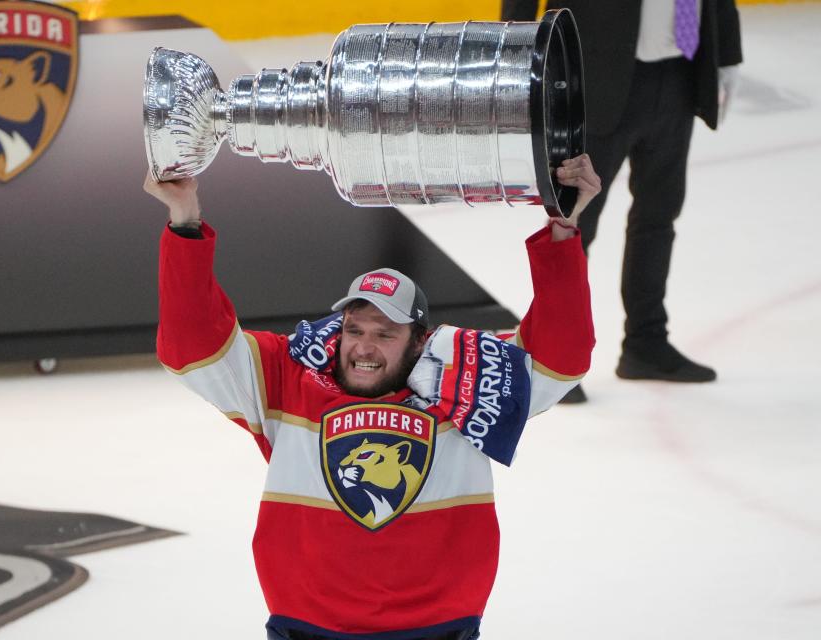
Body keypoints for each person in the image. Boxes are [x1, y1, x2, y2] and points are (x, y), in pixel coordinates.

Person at [145, 155, 600, 640]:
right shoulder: (287, 377)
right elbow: (192, 347)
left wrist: (562, 229)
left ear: (419, 341)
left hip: (437, 629)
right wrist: (185, 220)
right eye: (354, 329)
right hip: (308, 629)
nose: (362, 346)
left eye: (385, 334)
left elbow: (561, 357)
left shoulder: (468, 382)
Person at [503, 0, 743, 403]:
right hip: (594, 74)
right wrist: (510, 55)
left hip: (680, 72)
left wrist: (728, 54)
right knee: (573, 223)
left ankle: (645, 342)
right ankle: (553, 358)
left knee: (659, 215)